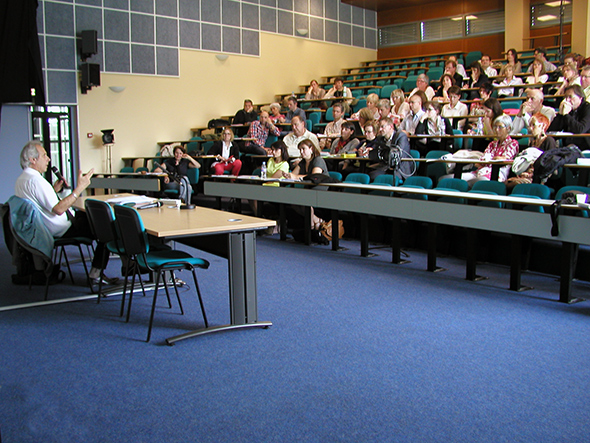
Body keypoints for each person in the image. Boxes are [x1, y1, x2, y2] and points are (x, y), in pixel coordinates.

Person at [14, 140, 113, 285]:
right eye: (44, 155)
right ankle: (96, 274)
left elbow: (38, 202)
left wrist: (53, 191)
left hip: (45, 226)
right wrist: (79, 188)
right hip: (61, 228)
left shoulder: (22, 179)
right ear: (32, 160)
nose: (48, 159)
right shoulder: (36, 181)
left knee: (90, 216)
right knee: (106, 227)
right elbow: (59, 209)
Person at [454, 115, 519, 186]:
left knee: (467, 184)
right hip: (480, 171)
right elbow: (480, 161)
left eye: (500, 127)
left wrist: (489, 160)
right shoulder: (492, 144)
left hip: (496, 175)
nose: (497, 130)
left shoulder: (513, 143)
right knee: (450, 179)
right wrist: (491, 160)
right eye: (495, 127)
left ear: (508, 128)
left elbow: (504, 159)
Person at [282, 139, 329, 230]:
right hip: (308, 188)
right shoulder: (302, 162)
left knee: (304, 200)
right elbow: (294, 175)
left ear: (311, 149)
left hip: (320, 188)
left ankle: (310, 225)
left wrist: (295, 177)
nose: (301, 152)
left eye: (303, 149)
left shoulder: (318, 160)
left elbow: (315, 177)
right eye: (300, 150)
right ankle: (316, 220)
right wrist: (288, 175)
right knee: (292, 201)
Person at [506, 113, 556, 189]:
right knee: (506, 183)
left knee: (512, 185)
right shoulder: (533, 142)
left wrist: (531, 174)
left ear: (542, 126)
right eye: (529, 125)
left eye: (533, 125)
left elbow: (550, 165)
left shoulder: (549, 141)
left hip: (538, 178)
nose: (530, 128)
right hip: (526, 174)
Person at [548, 84, 590, 150]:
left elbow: (580, 129)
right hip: (568, 147)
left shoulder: (587, 108)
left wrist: (566, 115)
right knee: (548, 140)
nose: (567, 100)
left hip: (584, 146)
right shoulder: (568, 109)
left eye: (570, 97)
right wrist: (560, 114)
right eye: (566, 97)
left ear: (580, 97)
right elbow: (551, 131)